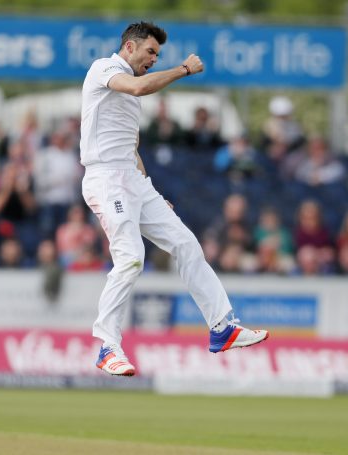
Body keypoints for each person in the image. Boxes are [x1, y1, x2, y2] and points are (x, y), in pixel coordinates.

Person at [80, 21, 268, 376]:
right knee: (132, 257)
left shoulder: (127, 92)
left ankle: (222, 328)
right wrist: (183, 69)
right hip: (105, 179)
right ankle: (108, 346)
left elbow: (129, 148)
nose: (154, 59)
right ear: (130, 47)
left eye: (158, 55)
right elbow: (136, 88)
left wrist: (149, 192)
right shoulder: (105, 69)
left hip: (132, 180)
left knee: (186, 243)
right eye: (151, 51)